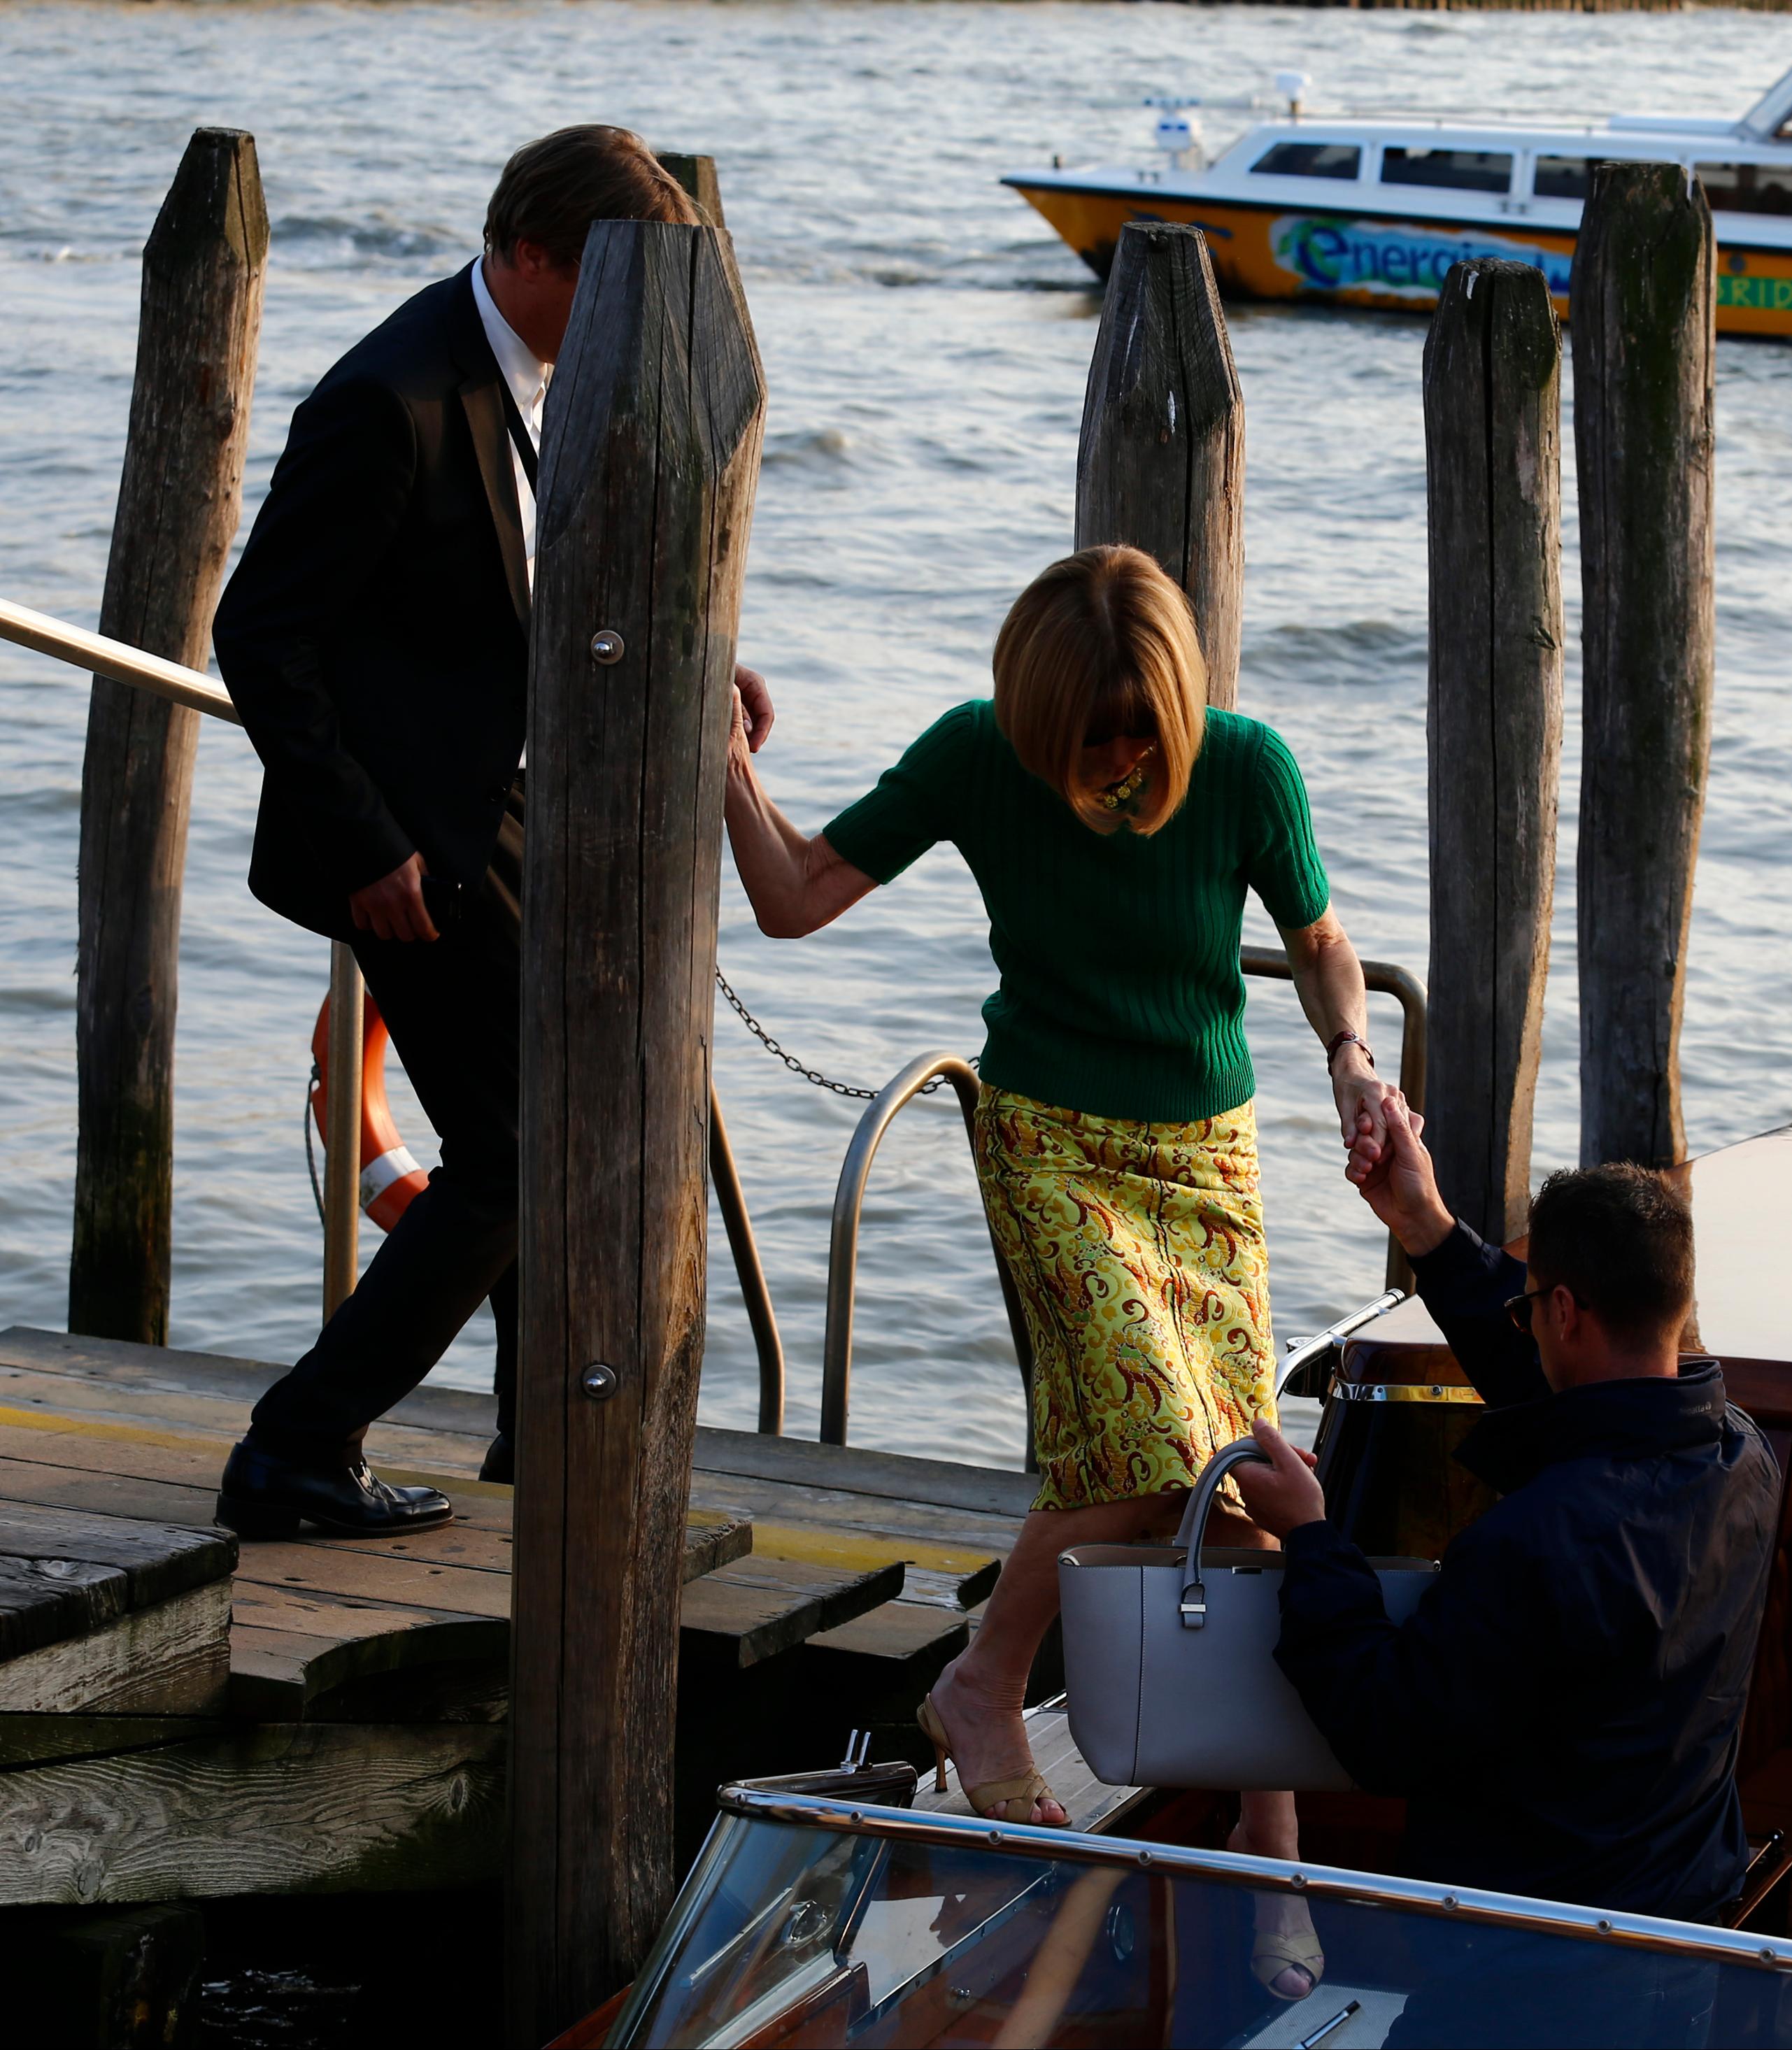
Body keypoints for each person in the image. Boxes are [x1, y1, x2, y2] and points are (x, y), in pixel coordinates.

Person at [723, 543, 1393, 2000]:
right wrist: (725, 767)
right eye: (1082, 740)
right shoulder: (975, 758)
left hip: (1203, 1149)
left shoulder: (1244, 770)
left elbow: (1321, 939)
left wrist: (1349, 1055)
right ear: (1029, 718)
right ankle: (984, 1678)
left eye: (1136, 733)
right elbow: (793, 895)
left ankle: (1268, 1825)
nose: (1109, 765)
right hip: (1048, 1136)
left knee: (1248, 1482)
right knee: (1156, 1436)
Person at [211, 128, 772, 1538]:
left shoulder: (568, 373)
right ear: (525, 252)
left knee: (547, 1125)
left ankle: (541, 1442)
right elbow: (258, 636)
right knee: (520, 1150)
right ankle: (296, 1445)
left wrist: (698, 669)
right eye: (606, 284)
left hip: (518, 815)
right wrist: (363, 841)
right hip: (406, 845)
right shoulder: (386, 398)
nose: (628, 322)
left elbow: (538, 603)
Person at [1236, 1095, 1783, 1933]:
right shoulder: (1743, 1459)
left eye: (1529, 1309)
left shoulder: (1529, 1543)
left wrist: (1313, 1539)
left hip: (1520, 1947)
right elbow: (1586, 1399)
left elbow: (1384, 1733)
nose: (1524, 1324)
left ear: (1562, 1313)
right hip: (1686, 1919)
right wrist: (1429, 1230)